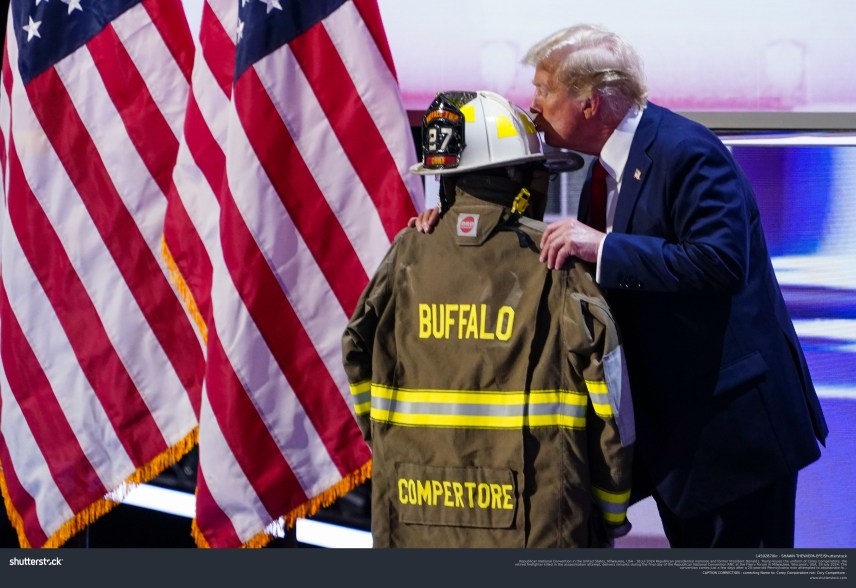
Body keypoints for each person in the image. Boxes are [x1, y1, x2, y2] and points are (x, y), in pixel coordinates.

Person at [520, 24, 828, 548]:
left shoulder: (688, 150)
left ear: (590, 103)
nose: (534, 104)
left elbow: (720, 262)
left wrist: (605, 247)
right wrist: (448, 218)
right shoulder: (603, 170)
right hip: (681, 443)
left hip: (733, 438)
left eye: (545, 89)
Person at [342, 90, 635, 548]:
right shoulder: (558, 265)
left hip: (414, 517)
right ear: (517, 178)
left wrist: (389, 440)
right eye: (538, 173)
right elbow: (611, 398)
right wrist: (611, 509)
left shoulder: (406, 254)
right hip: (539, 524)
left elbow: (356, 351)